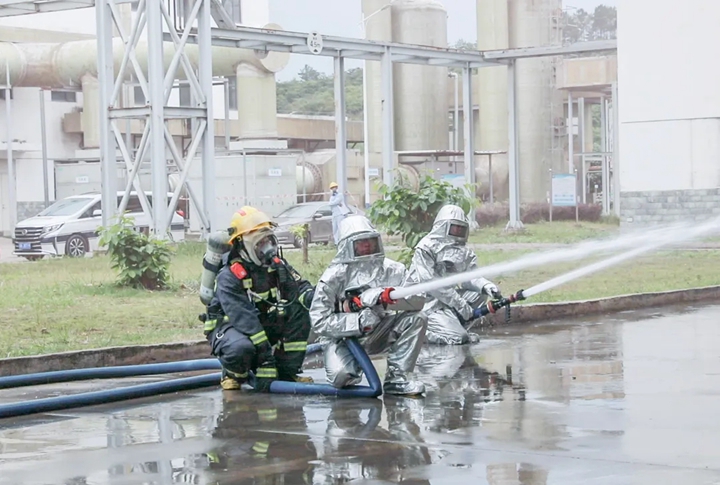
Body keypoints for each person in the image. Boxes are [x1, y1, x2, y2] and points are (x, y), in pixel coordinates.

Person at [309, 214, 428, 396]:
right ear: (347, 245)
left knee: (417, 318)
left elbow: (419, 300)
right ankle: (350, 367)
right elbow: (318, 321)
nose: (366, 246)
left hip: (379, 331)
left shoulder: (393, 270)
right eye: (360, 242)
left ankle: (398, 380)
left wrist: (385, 299)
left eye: (369, 240)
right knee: (342, 377)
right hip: (343, 340)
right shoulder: (333, 278)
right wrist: (357, 321)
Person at [203, 206, 316, 391]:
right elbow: (244, 319)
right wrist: (265, 359)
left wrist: (313, 296)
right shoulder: (229, 276)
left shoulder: (276, 266)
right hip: (230, 327)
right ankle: (233, 373)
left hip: (260, 323)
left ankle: (287, 372)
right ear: (244, 244)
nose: (268, 248)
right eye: (261, 243)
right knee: (241, 349)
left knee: (299, 311)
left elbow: (297, 289)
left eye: (268, 241)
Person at [406, 204, 502, 345]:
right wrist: (460, 304)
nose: (457, 231)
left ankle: (456, 327)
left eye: (460, 228)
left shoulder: (464, 251)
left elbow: (470, 277)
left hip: (447, 300)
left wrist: (486, 286)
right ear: (442, 226)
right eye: (454, 227)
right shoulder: (426, 247)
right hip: (425, 303)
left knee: (479, 294)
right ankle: (416, 332)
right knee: (459, 339)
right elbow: (432, 284)